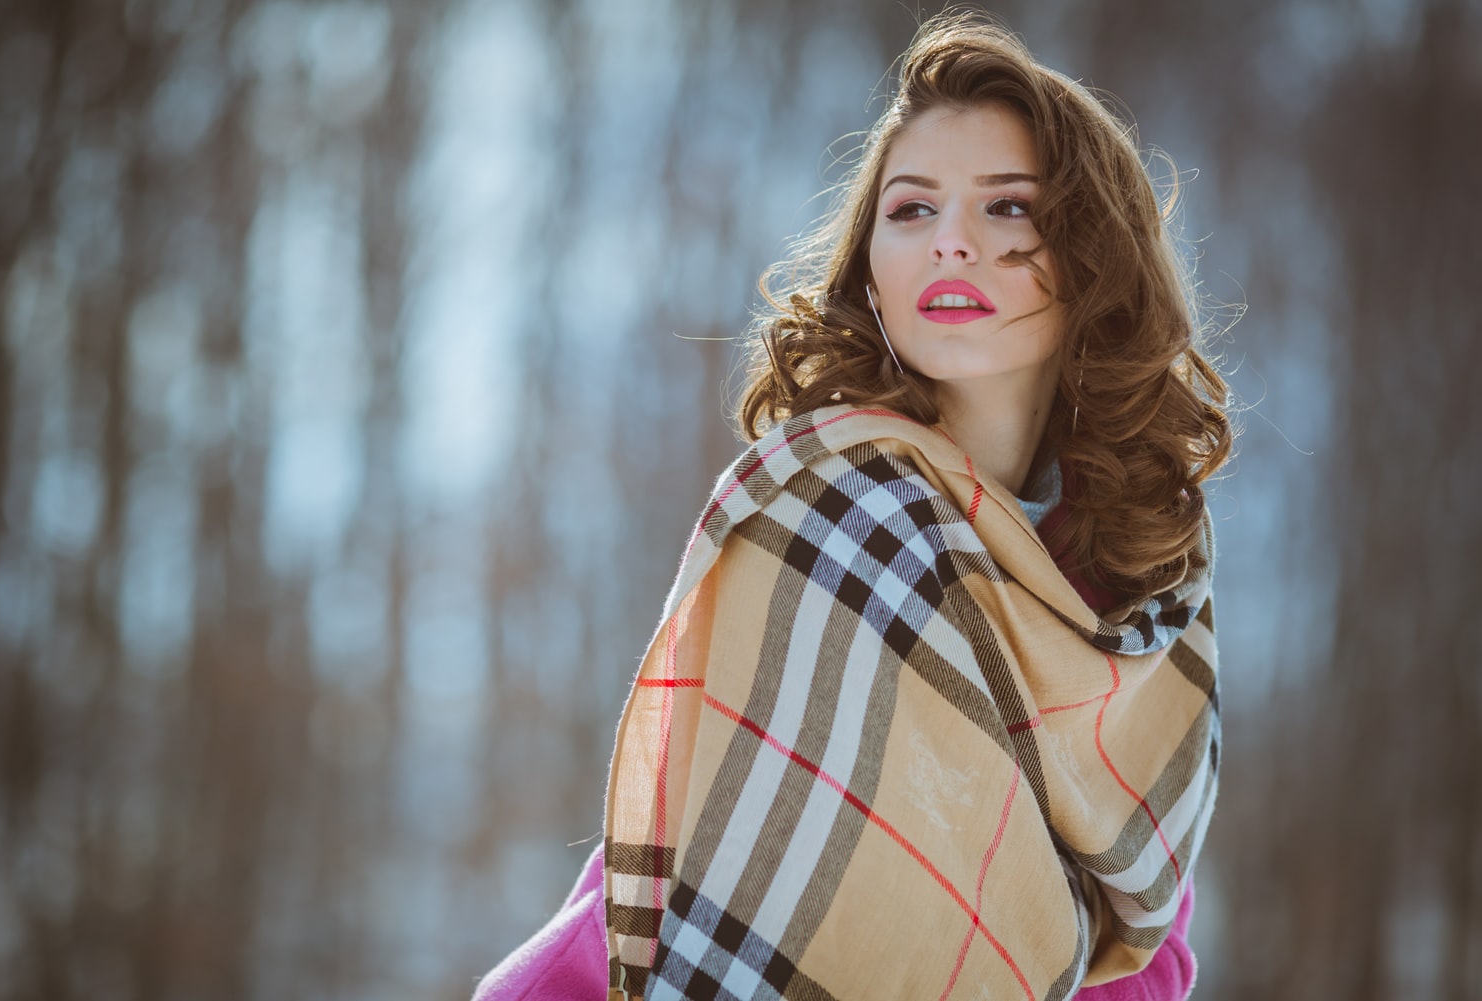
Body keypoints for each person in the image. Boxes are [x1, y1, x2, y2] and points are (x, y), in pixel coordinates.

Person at [475, 10, 1230, 1000]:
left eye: (1006, 207)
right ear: (869, 261)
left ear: (1094, 252)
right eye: (910, 209)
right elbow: (703, 849)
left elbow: (1147, 931)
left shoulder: (1148, 574)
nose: (949, 241)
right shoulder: (825, 508)